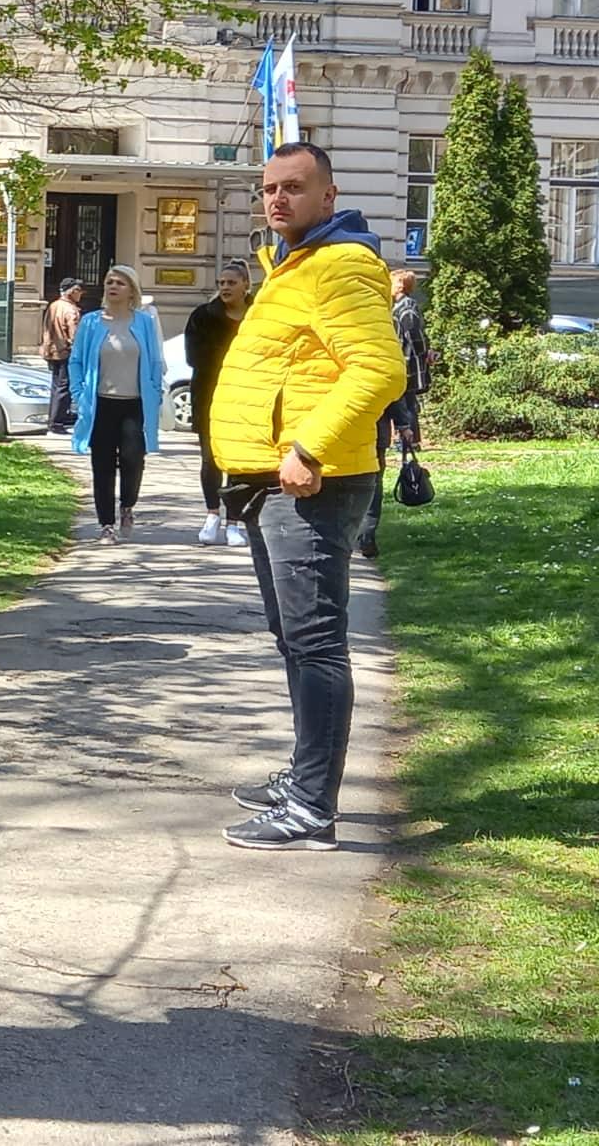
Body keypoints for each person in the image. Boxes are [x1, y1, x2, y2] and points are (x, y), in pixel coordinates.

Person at [211, 143, 405, 852]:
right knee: (295, 639)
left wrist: (308, 446)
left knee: (316, 643)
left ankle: (312, 809)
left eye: (295, 187)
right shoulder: (294, 264)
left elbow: (379, 370)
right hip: (275, 479)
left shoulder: (342, 263)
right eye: (269, 189)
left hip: (311, 481)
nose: (278, 200)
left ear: (329, 195)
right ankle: (304, 777)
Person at [68, 265, 165, 543]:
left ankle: (127, 506)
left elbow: (155, 360)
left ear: (131, 290)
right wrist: (78, 393)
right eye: (109, 282)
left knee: (134, 459)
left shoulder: (143, 322)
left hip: (134, 404)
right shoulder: (91, 322)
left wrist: (156, 391)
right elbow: (76, 361)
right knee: (102, 464)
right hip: (101, 404)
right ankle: (106, 525)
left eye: (120, 283)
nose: (113, 287)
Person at [356, 269, 432, 559]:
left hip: (360, 427)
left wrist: (403, 421)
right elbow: (389, 382)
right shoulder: (379, 332)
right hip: (367, 425)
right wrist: (403, 421)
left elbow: (389, 383)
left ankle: (362, 534)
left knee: (367, 479)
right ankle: (365, 534)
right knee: (371, 480)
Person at [184, 260, 253, 546]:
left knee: (238, 463)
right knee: (210, 458)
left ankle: (234, 522)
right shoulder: (203, 316)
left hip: (248, 398)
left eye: (231, 283)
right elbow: (193, 357)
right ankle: (212, 514)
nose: (224, 288)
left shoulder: (258, 316)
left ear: (245, 286)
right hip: (210, 396)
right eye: (221, 283)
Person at [40, 278, 84, 434]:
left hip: (51, 351)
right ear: (71, 292)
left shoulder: (53, 305)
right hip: (65, 352)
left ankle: (54, 419)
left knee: (56, 386)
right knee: (64, 387)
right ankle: (57, 422)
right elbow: (75, 335)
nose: (81, 294)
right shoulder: (71, 310)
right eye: (79, 290)